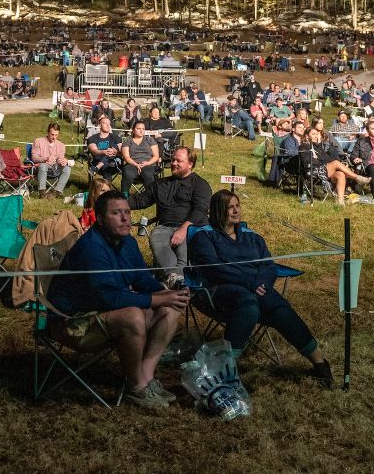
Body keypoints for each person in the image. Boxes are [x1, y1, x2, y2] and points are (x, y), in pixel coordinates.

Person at [45, 191, 188, 410]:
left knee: (171, 307)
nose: (125, 218)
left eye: (127, 212)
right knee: (133, 316)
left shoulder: (127, 241)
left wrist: (165, 291)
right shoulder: (92, 248)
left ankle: (146, 378)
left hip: (101, 311)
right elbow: (109, 297)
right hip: (72, 322)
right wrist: (156, 299)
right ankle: (136, 387)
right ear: (100, 219)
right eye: (116, 213)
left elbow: (140, 277)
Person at [187, 190, 333, 387]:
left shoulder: (252, 237)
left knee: (279, 308)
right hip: (218, 291)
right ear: (218, 210)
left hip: (255, 288)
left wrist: (262, 283)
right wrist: (250, 283)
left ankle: (320, 363)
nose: (236, 210)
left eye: (237, 206)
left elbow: (268, 265)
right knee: (248, 305)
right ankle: (225, 369)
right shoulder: (204, 236)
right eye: (230, 207)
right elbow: (215, 270)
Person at [129, 146, 211, 285]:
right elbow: (140, 201)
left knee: (184, 249)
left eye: (179, 161)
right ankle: (177, 279)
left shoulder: (200, 184)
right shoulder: (161, 184)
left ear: (190, 164)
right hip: (165, 227)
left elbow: (200, 210)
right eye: (173, 159)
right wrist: (115, 201)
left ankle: (173, 280)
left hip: (192, 228)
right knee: (157, 237)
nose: (173, 163)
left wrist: (183, 229)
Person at [300, 125, 369, 205]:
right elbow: (308, 162)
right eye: (313, 134)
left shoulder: (317, 147)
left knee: (340, 174)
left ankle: (340, 201)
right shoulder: (303, 147)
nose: (316, 136)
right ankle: (356, 178)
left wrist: (340, 166)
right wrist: (331, 164)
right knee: (336, 163)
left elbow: (327, 159)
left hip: (324, 169)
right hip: (313, 171)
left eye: (316, 134)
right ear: (307, 136)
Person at [31, 122, 73, 198]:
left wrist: (64, 161)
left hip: (55, 168)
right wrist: (46, 158)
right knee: (43, 166)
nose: (54, 137)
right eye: (52, 134)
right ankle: (42, 192)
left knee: (67, 168)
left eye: (56, 135)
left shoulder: (61, 145)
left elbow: (60, 159)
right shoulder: (38, 141)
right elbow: (34, 158)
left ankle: (56, 192)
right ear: (48, 132)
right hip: (40, 168)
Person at [121, 120, 161, 192]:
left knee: (147, 174)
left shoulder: (150, 140)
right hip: (132, 163)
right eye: (138, 128)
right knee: (128, 174)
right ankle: (124, 196)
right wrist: (136, 165)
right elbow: (126, 157)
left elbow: (156, 156)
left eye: (143, 129)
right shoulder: (127, 141)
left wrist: (147, 163)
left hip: (148, 164)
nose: (141, 131)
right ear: (133, 130)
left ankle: (150, 196)